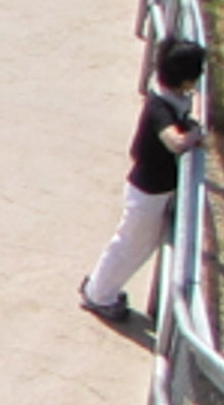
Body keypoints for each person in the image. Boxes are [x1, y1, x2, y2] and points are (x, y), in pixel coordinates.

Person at [79, 36, 207, 325]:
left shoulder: (168, 98)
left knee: (136, 244)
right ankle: (98, 294)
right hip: (148, 190)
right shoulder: (160, 107)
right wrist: (195, 134)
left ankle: (100, 287)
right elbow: (174, 142)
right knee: (130, 244)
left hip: (153, 189)